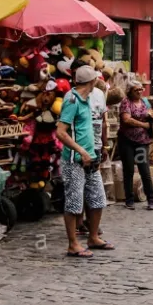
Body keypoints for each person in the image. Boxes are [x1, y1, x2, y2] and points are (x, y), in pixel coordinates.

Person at [54, 65, 113, 258]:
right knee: (74, 202)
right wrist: (80, 150)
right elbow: (61, 132)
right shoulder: (72, 100)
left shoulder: (89, 98)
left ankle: (93, 237)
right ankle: (73, 244)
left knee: (97, 198)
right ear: (93, 81)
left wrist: (98, 148)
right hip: (74, 160)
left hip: (90, 157)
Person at [117, 80, 153, 211]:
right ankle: (129, 199)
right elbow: (126, 119)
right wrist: (143, 124)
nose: (140, 91)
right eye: (136, 90)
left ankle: (151, 198)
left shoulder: (145, 102)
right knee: (128, 170)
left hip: (141, 141)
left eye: (141, 89)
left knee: (144, 169)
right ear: (130, 91)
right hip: (127, 141)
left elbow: (151, 113)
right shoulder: (126, 102)